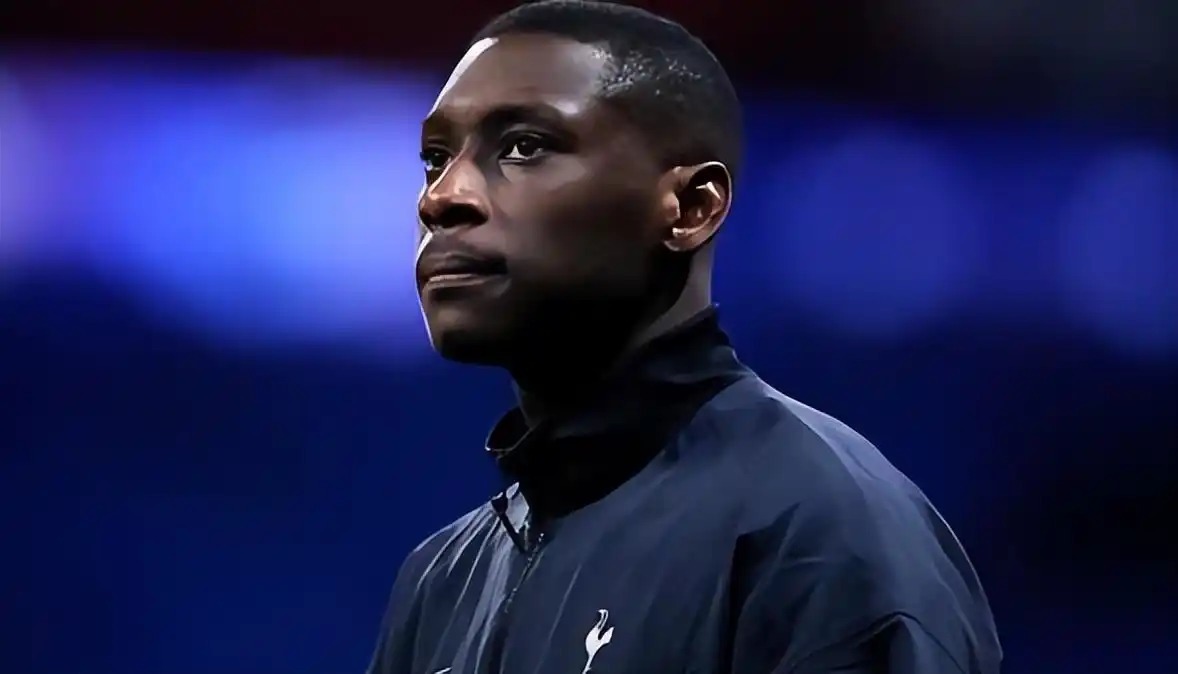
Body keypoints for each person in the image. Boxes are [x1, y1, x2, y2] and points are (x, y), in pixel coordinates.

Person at [369, 1, 1002, 672]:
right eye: (435, 158)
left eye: (524, 147)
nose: (441, 197)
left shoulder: (821, 532)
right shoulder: (440, 585)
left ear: (691, 208)